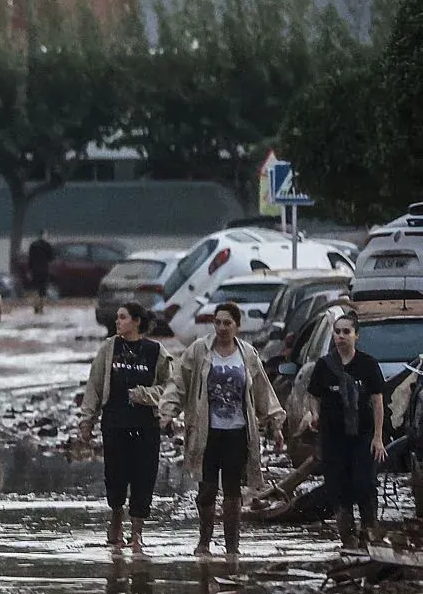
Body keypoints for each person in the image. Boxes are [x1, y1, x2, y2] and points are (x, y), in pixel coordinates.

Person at [161, 301, 284, 557]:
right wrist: (167, 413)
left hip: (238, 431)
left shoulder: (247, 354)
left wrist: (276, 422)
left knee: (232, 489)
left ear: (237, 326)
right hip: (207, 430)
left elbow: (262, 391)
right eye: (217, 322)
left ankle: (232, 546)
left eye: (227, 323)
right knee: (206, 487)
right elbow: (179, 383)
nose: (221, 328)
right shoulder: (199, 351)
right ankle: (204, 541)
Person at [77, 302, 171, 553]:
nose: (118, 322)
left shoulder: (155, 351)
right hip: (115, 424)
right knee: (116, 476)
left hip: (145, 426)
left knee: (143, 477)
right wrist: (86, 421)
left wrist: (143, 394)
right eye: (117, 318)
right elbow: (94, 386)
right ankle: (116, 519)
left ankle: (137, 533)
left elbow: (170, 389)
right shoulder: (109, 349)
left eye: (123, 317)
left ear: (137, 321)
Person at [306, 310, 388, 551]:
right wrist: (314, 414)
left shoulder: (368, 365)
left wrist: (378, 437)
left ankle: (370, 533)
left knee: (364, 483)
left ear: (356, 336)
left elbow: (377, 402)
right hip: (333, 437)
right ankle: (348, 539)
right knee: (338, 487)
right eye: (337, 332)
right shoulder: (324, 365)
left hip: (363, 435)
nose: (341, 336)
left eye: (346, 332)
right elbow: (313, 395)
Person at [26, 231, 56, 314]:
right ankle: (41, 308)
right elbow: (51, 258)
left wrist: (29, 270)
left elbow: (30, 259)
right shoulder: (47, 245)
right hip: (44, 270)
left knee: (36, 289)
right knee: (43, 290)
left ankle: (36, 306)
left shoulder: (33, 245)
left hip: (35, 270)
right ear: (46, 236)